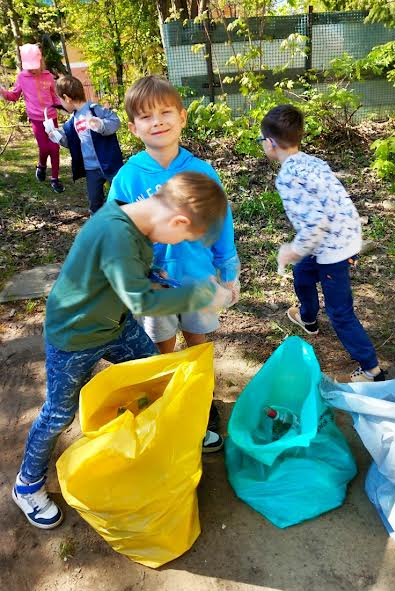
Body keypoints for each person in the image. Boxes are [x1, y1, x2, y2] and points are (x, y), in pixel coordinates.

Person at [12, 171, 232, 529]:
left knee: (156, 377)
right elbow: (140, 300)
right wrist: (202, 295)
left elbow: (134, 273)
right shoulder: (116, 233)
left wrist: (165, 279)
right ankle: (27, 484)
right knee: (58, 415)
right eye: (184, 238)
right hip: (75, 337)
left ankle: (167, 438)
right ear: (177, 221)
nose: (177, 244)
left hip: (116, 325)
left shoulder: (138, 219)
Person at [107, 76, 240, 433]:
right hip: (154, 288)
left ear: (182, 117)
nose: (157, 122)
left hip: (198, 278)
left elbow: (221, 221)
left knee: (197, 342)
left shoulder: (201, 171)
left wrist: (228, 269)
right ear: (133, 128)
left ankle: (201, 400)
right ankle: (169, 400)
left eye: (165, 112)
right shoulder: (127, 178)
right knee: (161, 347)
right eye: (146, 116)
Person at [259, 104, 385, 383]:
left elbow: (315, 224)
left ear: (270, 143)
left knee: (340, 313)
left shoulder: (288, 177)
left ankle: (371, 370)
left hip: (334, 250)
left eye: (261, 140)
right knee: (303, 274)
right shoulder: (313, 161)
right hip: (339, 238)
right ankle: (308, 318)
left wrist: (292, 250)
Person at [47, 75, 123, 214]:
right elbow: (72, 142)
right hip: (90, 168)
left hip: (110, 163)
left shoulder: (94, 109)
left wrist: (101, 125)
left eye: (60, 100)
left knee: (121, 195)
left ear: (67, 98)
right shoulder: (72, 121)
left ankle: (125, 218)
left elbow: (115, 121)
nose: (61, 104)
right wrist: (57, 137)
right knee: (94, 201)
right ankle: (97, 222)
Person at [0, 43, 64, 193]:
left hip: (51, 118)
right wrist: (3, 92)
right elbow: (14, 96)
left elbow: (54, 97)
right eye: (29, 66)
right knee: (44, 148)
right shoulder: (22, 77)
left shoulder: (48, 76)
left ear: (40, 61)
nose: (32, 69)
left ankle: (55, 179)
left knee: (54, 148)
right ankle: (41, 166)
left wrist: (63, 106)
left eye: (34, 65)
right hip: (36, 120)